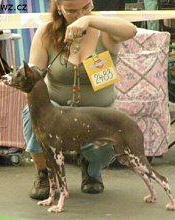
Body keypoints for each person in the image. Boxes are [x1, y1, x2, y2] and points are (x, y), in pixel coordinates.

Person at [23, 0, 137, 200]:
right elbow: (32, 78)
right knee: (31, 114)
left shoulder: (104, 29)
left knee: (111, 134)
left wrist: (88, 20)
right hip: (58, 112)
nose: (79, 14)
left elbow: (130, 31)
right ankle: (43, 173)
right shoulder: (46, 33)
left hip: (98, 114)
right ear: (58, 7)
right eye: (72, 11)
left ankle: (91, 169)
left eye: (86, 7)